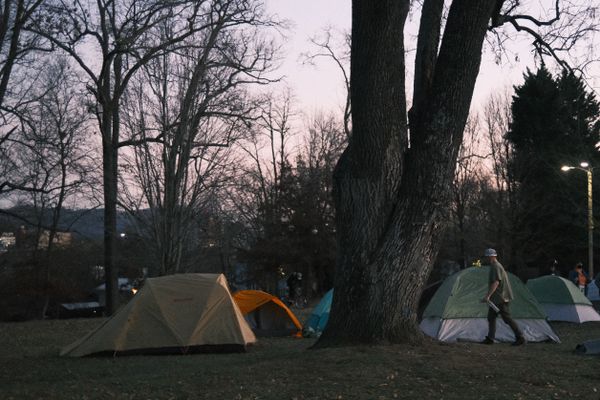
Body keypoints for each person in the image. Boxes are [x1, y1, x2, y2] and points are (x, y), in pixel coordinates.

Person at [480, 248, 526, 346]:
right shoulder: (494, 266)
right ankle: (490, 338)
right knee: (491, 317)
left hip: (501, 298)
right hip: (495, 298)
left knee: (507, 318)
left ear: (492, 256)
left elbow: (496, 282)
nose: (486, 259)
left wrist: (487, 296)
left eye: (487, 257)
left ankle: (520, 337)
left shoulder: (496, 266)